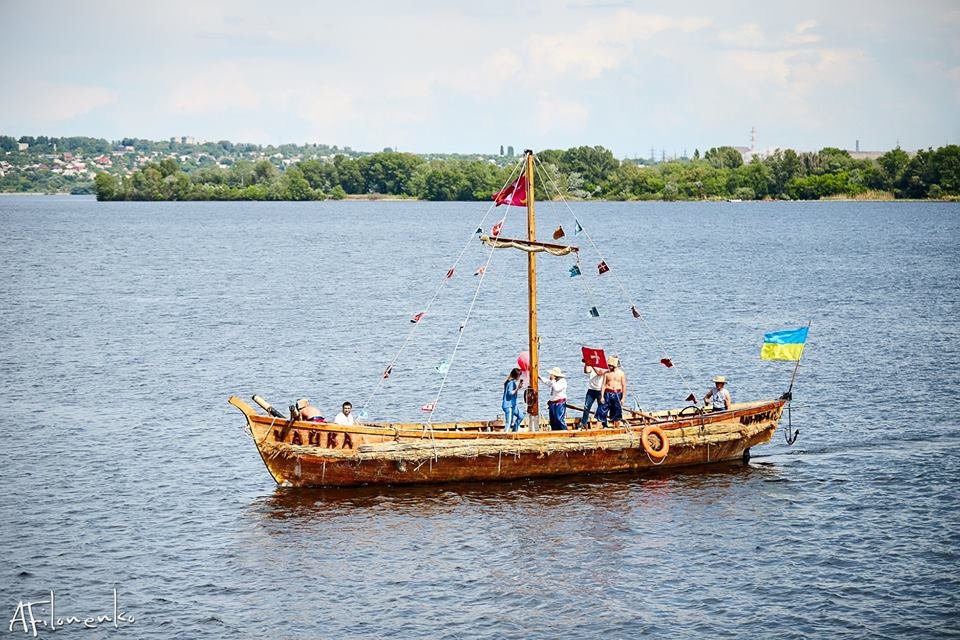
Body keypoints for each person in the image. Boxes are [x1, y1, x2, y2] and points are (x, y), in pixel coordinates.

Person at [597, 356, 626, 428]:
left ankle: (617, 429)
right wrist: (602, 396)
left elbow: (624, 386)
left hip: (617, 394)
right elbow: (603, 385)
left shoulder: (621, 373)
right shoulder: (606, 373)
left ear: (614, 366)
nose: (609, 367)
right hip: (607, 393)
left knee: (617, 413)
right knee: (601, 411)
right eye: (608, 365)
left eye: (610, 366)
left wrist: (623, 398)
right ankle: (596, 429)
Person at [579, 359, 605, 429]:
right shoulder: (592, 366)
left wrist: (592, 364)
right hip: (591, 389)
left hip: (600, 390)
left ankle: (604, 424)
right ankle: (583, 424)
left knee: (601, 408)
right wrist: (586, 364)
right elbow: (586, 371)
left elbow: (599, 373)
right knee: (586, 407)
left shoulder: (603, 367)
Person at [501, 368, 525, 432]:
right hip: (508, 405)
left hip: (513, 405)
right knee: (509, 422)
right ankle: (506, 434)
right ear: (516, 375)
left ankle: (515, 430)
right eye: (519, 375)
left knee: (521, 416)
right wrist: (518, 388)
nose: (519, 377)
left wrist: (518, 387)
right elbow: (510, 393)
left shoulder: (511, 382)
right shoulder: (511, 382)